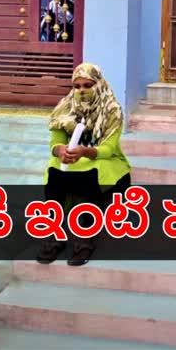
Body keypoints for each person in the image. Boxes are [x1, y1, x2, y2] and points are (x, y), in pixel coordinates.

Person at [37, 63, 131, 266]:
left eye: (87, 85)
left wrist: (85, 152)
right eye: (76, 86)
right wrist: (60, 151)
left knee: (92, 175)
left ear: (98, 84)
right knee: (53, 172)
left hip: (103, 159)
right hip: (72, 159)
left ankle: (84, 240)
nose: (81, 91)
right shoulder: (65, 107)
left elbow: (109, 148)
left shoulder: (111, 110)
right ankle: (54, 236)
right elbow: (54, 143)